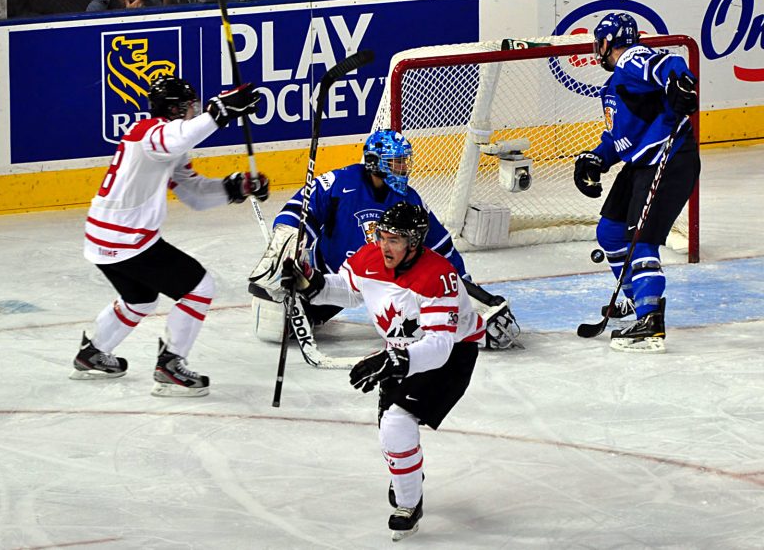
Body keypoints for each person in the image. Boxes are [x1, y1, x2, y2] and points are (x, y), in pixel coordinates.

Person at [282, 202, 483, 540]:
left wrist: (394, 360)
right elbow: (346, 290)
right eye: (382, 236)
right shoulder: (369, 258)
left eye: (395, 240)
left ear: (415, 242)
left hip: (452, 355)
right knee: (390, 431)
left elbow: (439, 348)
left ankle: (409, 503)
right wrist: (310, 283)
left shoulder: (438, 276)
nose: (385, 246)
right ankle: (409, 475)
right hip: (403, 349)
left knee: (396, 420)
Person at [70, 75, 269, 396]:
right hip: (127, 240)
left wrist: (236, 187)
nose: (194, 112)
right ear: (176, 109)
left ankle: (92, 353)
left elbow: (193, 193)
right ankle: (170, 364)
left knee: (140, 300)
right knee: (200, 288)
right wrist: (221, 111)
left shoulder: (162, 143)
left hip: (103, 238)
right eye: (191, 108)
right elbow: (180, 137)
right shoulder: (153, 135)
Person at [248, 129, 519, 350]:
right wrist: (289, 244)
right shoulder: (341, 182)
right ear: (375, 163)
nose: (403, 168)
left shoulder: (409, 200)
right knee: (273, 327)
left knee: (420, 326)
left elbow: (441, 250)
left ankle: (476, 332)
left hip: (372, 284)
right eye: (395, 162)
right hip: (324, 276)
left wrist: (475, 297)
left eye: (404, 161)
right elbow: (298, 210)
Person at [573, 12, 700, 353]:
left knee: (640, 240)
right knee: (611, 232)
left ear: (606, 43)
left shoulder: (631, 58)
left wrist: (681, 82)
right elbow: (621, 136)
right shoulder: (615, 84)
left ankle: (650, 322)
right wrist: (597, 158)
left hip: (668, 159)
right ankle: (633, 298)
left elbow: (669, 64)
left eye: (598, 43)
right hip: (642, 163)